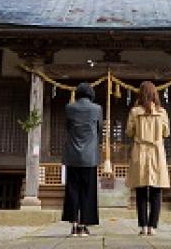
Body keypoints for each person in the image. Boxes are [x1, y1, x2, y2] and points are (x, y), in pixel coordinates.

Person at [126, 81, 170, 236]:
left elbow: (129, 132)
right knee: (156, 191)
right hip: (157, 152)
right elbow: (166, 133)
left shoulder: (134, 112)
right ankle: (153, 227)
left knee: (141, 190)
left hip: (140, 151)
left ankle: (143, 226)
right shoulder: (162, 112)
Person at [61, 82, 102, 237]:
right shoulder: (97, 109)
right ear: (91, 94)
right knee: (88, 191)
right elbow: (99, 129)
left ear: (77, 93)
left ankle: (74, 225)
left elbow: (67, 127)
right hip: (90, 155)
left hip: (72, 155)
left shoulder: (69, 108)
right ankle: (84, 224)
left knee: (72, 190)